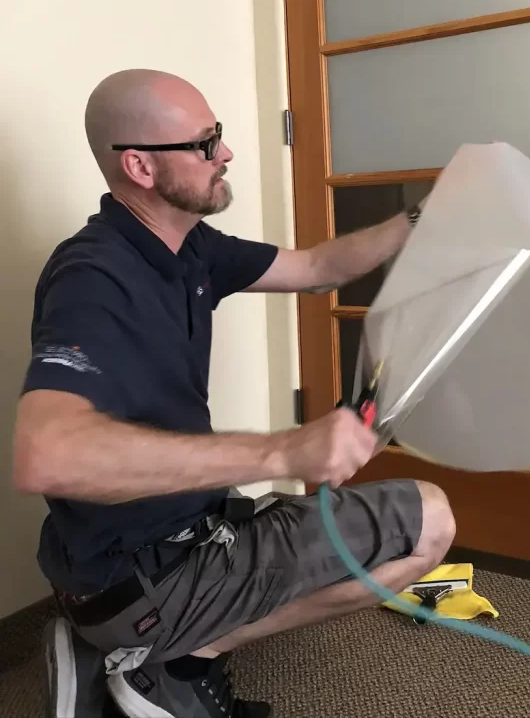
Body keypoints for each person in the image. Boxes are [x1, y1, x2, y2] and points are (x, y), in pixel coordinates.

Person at [12, 69, 456, 718]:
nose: (225, 152)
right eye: (205, 142)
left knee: (368, 523)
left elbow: (317, 268)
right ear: (139, 165)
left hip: (171, 538)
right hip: (135, 575)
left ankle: (119, 647)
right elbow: (46, 455)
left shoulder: (189, 246)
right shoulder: (93, 277)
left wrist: (421, 216)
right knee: (430, 522)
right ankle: (169, 660)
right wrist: (283, 451)